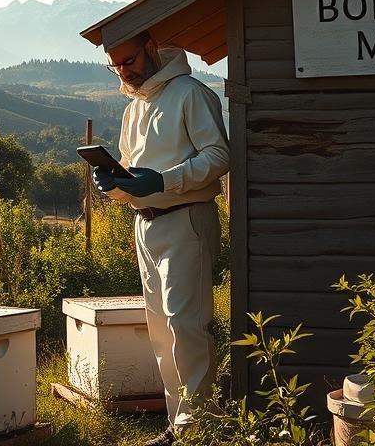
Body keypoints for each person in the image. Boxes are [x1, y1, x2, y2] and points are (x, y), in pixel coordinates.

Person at [92, 31, 229, 446]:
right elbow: (132, 174)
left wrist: (165, 180)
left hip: (186, 219)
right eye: (115, 65)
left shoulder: (191, 93)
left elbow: (219, 155)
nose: (123, 71)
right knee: (160, 329)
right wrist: (113, 184)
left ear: (152, 49)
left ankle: (198, 429)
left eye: (128, 60)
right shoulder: (135, 108)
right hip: (146, 224)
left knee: (186, 326)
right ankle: (180, 426)